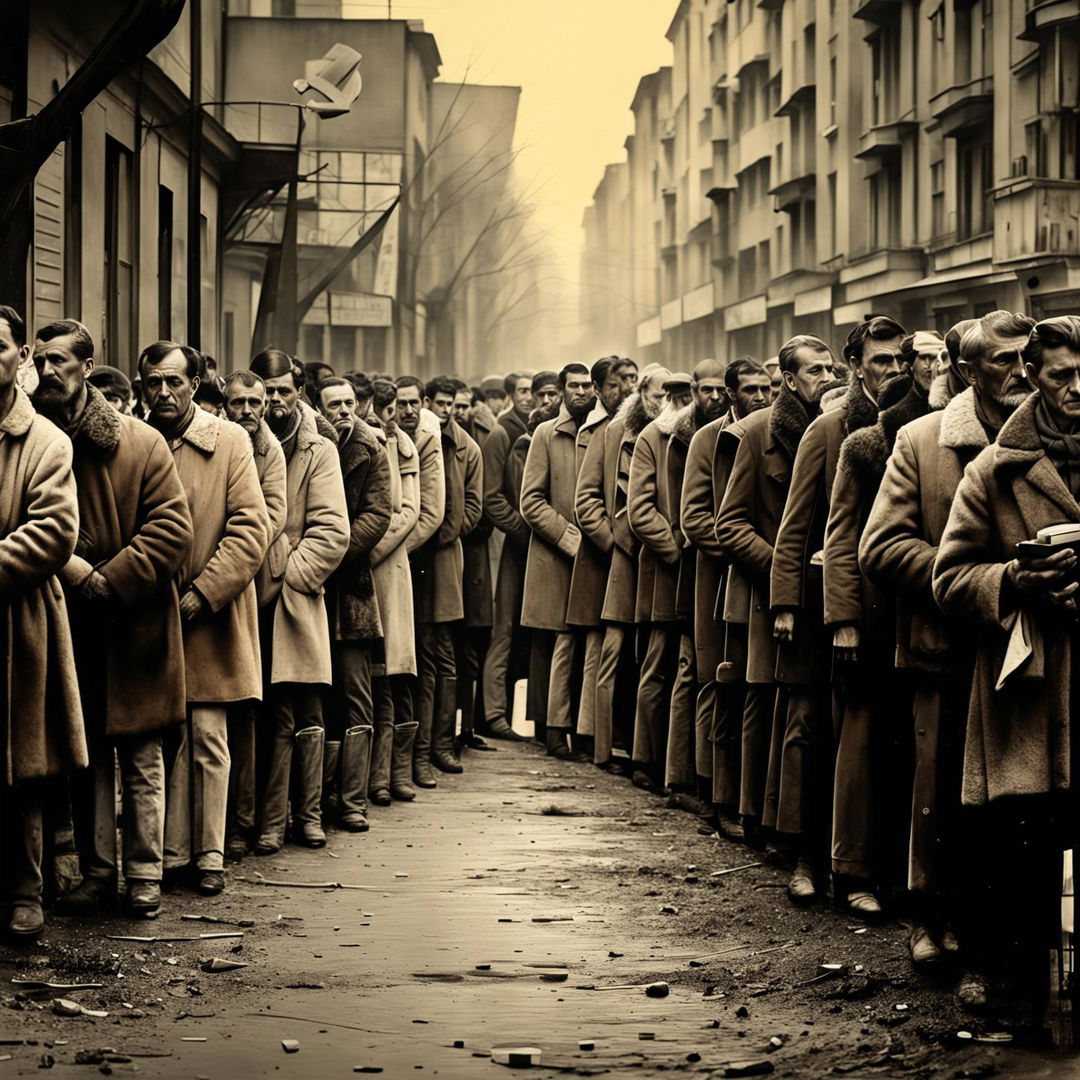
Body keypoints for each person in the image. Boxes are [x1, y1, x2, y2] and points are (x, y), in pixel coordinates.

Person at [861, 312, 1034, 976]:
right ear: (966, 372)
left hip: (1030, 647)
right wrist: (964, 579)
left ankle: (1004, 937)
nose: (1019, 372)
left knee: (1018, 801)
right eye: (1002, 361)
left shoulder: (1054, 441)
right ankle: (930, 919)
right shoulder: (924, 440)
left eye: (1027, 358)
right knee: (939, 793)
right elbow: (879, 546)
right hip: (948, 645)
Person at [932, 315, 1080, 1023]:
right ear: (1033, 378)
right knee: (1023, 851)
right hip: (1030, 689)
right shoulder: (995, 467)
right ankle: (1015, 1001)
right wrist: (1015, 585)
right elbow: (949, 575)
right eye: (1061, 376)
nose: (1077, 388)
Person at [31, 320, 193, 922]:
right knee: (90, 756)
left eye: (60, 362)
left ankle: (144, 875)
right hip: (73, 625)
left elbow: (173, 528)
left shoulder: (140, 443)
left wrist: (107, 579)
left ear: (87, 365)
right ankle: (99, 875)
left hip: (138, 624)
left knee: (144, 757)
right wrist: (74, 573)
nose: (49, 373)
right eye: (41, 362)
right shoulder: (37, 442)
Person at [145, 341, 269, 896]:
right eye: (154, 382)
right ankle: (168, 855)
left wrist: (202, 593)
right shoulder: (139, 441)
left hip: (210, 614)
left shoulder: (230, 440)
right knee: (159, 739)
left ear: (196, 384)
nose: (164, 392)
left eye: (175, 381)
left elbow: (250, 529)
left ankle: (210, 855)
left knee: (209, 737)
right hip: (149, 613)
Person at [716, 336, 835, 854]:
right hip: (774, 594)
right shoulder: (758, 433)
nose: (826, 379)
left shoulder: (841, 429)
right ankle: (757, 821)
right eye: (814, 371)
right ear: (788, 379)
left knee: (814, 717)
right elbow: (730, 523)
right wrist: (782, 567)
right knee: (764, 708)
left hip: (830, 592)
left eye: (831, 369)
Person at [0, 305, 85, 937]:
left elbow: (54, 532)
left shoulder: (45, 442)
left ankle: (26, 891)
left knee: (23, 764)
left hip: (17, 620)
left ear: (18, 358)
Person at [822, 315, 909, 919]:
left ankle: (900, 875)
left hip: (915, 612)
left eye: (902, 360)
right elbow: (836, 532)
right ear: (856, 367)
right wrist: (843, 618)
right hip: (865, 615)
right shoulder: (843, 432)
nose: (897, 371)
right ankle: (850, 870)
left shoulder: (923, 423)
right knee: (859, 744)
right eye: (882, 362)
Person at [248, 348, 348, 851]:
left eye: (284, 391)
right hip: (247, 598)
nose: (275, 401)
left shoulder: (318, 449)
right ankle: (266, 820)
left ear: (299, 392)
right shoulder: (244, 443)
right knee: (263, 714)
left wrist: (286, 569)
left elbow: (332, 531)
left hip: (295, 599)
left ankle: (307, 817)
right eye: (267, 392)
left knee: (305, 710)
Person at [629, 359, 727, 797]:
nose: (708, 398)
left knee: (690, 668)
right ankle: (644, 759)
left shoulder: (718, 437)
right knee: (657, 666)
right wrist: (676, 547)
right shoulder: (656, 437)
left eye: (713, 390)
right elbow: (639, 508)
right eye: (698, 391)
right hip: (668, 571)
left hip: (702, 570)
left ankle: (680, 769)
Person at [681, 359, 769, 836]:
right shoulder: (707, 440)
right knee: (716, 684)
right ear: (730, 395)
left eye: (767, 387)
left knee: (752, 692)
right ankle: (714, 799)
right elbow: (694, 518)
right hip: (717, 581)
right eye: (751, 389)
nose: (760, 396)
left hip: (756, 582)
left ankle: (746, 804)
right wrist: (741, 549)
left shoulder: (771, 434)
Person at [313, 375, 391, 833]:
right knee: (317, 697)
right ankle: (317, 799)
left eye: (349, 403)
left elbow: (378, 514)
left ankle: (353, 800)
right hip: (312, 587)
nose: (343, 411)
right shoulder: (313, 445)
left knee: (357, 694)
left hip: (353, 586)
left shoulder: (371, 448)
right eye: (333, 404)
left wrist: (333, 552)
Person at [221, 370, 287, 862]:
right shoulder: (217, 439)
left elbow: (271, 515)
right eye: (237, 402)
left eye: (254, 403)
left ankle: (242, 823)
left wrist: (229, 551)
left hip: (254, 592)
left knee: (247, 709)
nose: (246, 411)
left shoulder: (270, 452)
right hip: (211, 583)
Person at [520, 363, 596, 757]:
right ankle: (553, 730)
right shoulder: (545, 435)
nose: (580, 392)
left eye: (587, 385)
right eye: (574, 386)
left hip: (594, 556)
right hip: (557, 558)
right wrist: (570, 537)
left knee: (587, 644)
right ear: (563, 390)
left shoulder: (602, 433)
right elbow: (530, 500)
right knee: (559, 644)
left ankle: (583, 733)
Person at [412, 377, 483, 776]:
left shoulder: (466, 448)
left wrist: (442, 531)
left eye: (452, 404)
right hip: (414, 557)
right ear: (427, 402)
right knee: (421, 654)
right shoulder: (419, 441)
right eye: (440, 403)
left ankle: (440, 745)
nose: (446, 411)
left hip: (444, 561)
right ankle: (420, 749)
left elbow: (473, 507)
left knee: (443, 654)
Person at [362, 379, 421, 804]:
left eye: (389, 410)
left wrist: (367, 552)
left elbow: (408, 512)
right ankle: (370, 777)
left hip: (387, 571)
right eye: (381, 409)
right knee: (368, 678)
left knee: (397, 677)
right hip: (356, 576)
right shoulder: (357, 443)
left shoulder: (404, 450)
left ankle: (393, 774)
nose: (386, 417)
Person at [564, 358, 622, 756]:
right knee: (597, 650)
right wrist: (614, 545)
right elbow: (585, 500)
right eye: (619, 383)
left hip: (629, 561)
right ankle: (591, 737)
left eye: (633, 381)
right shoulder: (599, 430)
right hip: (604, 559)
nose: (627, 390)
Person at [395, 376, 446, 788]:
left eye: (414, 403)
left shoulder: (428, 439)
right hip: (386, 565)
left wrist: (392, 551)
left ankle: (420, 755)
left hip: (420, 563)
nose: (408, 411)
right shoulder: (386, 436)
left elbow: (431, 512)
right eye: (400, 404)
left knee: (421, 664)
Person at [480, 369, 537, 738]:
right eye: (523, 391)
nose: (531, 397)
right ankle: (492, 714)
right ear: (510, 395)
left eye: (535, 391)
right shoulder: (503, 433)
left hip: (527, 547)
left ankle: (522, 716)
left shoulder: (531, 429)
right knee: (502, 631)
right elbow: (491, 497)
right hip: (508, 546)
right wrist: (521, 530)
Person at [455, 388, 498, 753]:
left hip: (473, 566)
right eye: (454, 405)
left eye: (465, 405)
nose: (459, 411)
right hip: (451, 564)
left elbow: (483, 512)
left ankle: (467, 726)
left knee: (471, 649)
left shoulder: (475, 445)